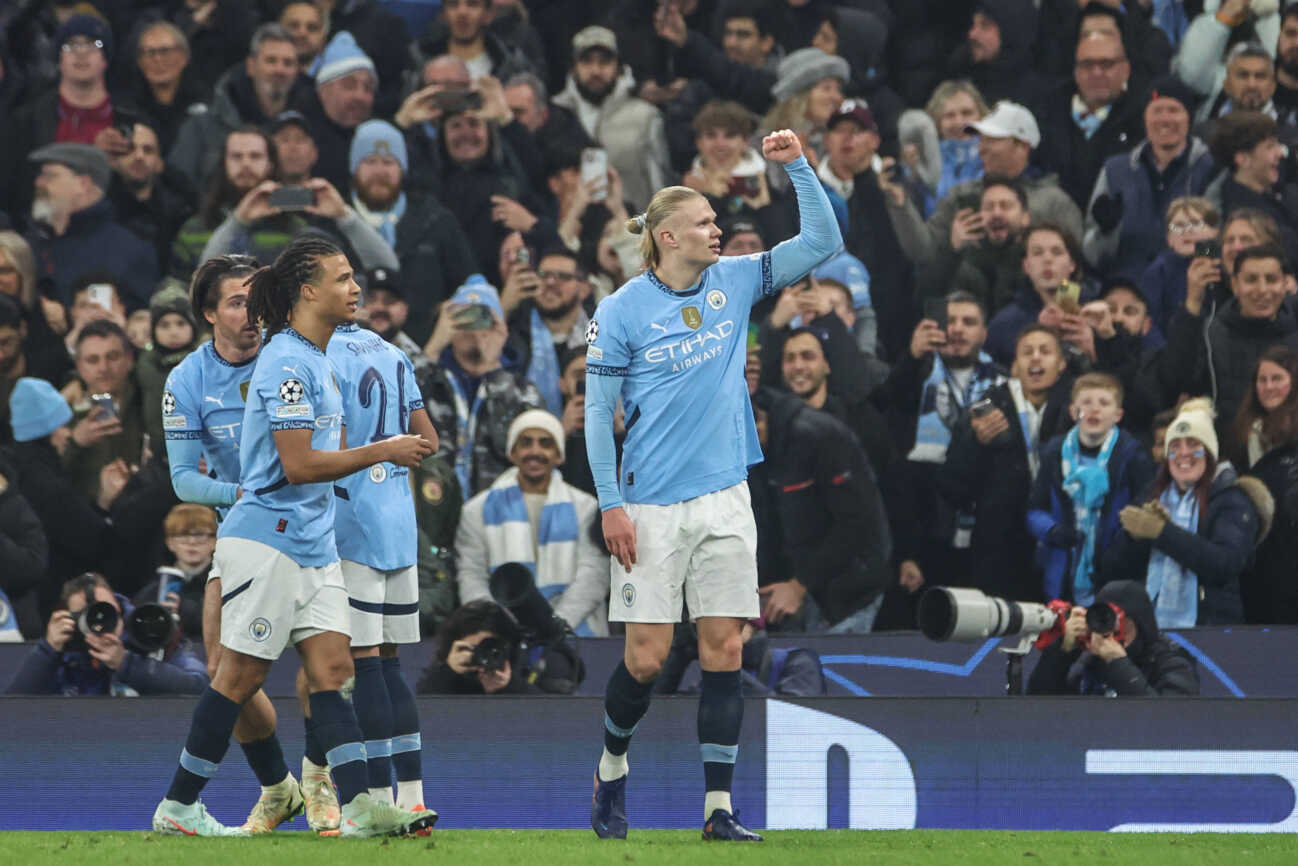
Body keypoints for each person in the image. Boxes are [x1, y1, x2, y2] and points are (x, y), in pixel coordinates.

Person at [584, 128, 840, 842]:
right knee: (645, 657)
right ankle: (610, 766)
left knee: (724, 648)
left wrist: (796, 167)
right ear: (667, 237)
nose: (716, 229)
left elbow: (821, 241)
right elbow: (599, 417)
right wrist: (611, 504)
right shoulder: (622, 310)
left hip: (727, 495)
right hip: (649, 504)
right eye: (703, 222)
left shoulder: (736, 280)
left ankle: (717, 810)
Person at [150, 237, 436, 837]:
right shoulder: (285, 363)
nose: (355, 289)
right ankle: (179, 805)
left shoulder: (315, 356)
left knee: (334, 672)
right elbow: (300, 465)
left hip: (314, 540)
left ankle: (357, 809)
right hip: (269, 537)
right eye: (343, 278)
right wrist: (383, 449)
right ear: (308, 291)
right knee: (237, 678)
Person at [160, 255, 326, 834]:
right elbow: (183, 479)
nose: (251, 313)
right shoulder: (186, 380)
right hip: (247, 534)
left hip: (314, 529)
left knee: (322, 664)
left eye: (256, 300)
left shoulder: (293, 355)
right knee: (224, 671)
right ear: (208, 313)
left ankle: (325, 784)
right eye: (236, 302)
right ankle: (279, 787)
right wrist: (245, 492)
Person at [327, 309, 440, 812]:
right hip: (398, 520)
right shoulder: (392, 351)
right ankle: (413, 798)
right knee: (392, 664)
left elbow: (328, 447)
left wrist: (370, 452)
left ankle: (377, 800)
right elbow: (429, 441)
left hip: (352, 520)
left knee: (366, 663)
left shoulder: (319, 356)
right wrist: (392, 450)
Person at [1100, 397, 1267, 628]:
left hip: (1213, 630)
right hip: (1151, 629)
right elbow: (1112, 568)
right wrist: (1135, 537)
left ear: (1210, 452)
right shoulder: (1152, 494)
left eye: (1194, 445)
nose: (1183, 453)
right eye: (1175, 446)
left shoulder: (1232, 498)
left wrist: (1163, 533)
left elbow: (1225, 565)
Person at [940, 324, 1074, 601]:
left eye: (1045, 351)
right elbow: (951, 487)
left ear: (1061, 364)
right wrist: (976, 443)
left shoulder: (1078, 408)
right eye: (1027, 352)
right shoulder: (984, 409)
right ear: (1014, 366)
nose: (1035, 358)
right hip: (1000, 551)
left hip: (1063, 541)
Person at [455, 408, 609, 637]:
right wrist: (501, 625)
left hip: (575, 633)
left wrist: (555, 626)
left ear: (559, 455)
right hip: (503, 635)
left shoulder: (586, 506)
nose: (535, 451)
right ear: (512, 452)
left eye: (545, 443)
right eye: (526, 443)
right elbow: (471, 577)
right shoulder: (476, 510)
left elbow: (594, 575)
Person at [751, 387, 892, 633]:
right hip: (807, 589)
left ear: (759, 422)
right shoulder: (757, 449)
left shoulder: (818, 436)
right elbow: (766, 525)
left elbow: (857, 522)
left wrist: (799, 585)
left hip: (851, 591)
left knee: (838, 671)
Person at [1027, 373, 1157, 605]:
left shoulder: (1133, 455)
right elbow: (1034, 510)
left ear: (1118, 415)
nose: (1094, 409)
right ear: (1072, 410)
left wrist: (1118, 550)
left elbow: (1142, 509)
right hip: (1061, 574)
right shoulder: (1054, 452)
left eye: (1104, 403)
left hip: (1114, 577)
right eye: (1086, 402)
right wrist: (1053, 531)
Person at [1083, 77, 1217, 281]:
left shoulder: (1209, 168)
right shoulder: (1115, 170)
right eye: (1157, 111)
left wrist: (1193, 250)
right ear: (1145, 118)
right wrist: (1108, 233)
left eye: (1173, 110)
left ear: (1189, 118)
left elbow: (1219, 245)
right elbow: (1090, 256)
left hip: (1186, 288)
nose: (1165, 119)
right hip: (1123, 291)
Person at [420, 275, 543, 497]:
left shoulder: (523, 391)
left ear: (500, 328)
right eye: (464, 317)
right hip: (432, 506)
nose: (474, 329)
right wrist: (433, 348)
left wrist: (493, 367)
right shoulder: (427, 379)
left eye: (483, 318)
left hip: (497, 510)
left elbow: (514, 446)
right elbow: (393, 413)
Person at [4, 572, 209, 696]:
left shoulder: (151, 636)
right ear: (71, 619)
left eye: (107, 612)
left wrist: (126, 663)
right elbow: (15, 708)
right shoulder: (64, 650)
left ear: (120, 610)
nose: (100, 623)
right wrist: (47, 651)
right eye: (88, 615)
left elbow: (200, 687)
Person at [168, 23, 308, 193]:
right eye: (271, 61)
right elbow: (177, 185)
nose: (280, 70)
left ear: (297, 71)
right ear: (251, 66)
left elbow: (311, 193)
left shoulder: (309, 123)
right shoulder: (204, 126)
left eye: (288, 63)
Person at [24, 142, 159, 311]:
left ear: (83, 184)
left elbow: (137, 321)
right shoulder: (29, 243)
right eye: (40, 176)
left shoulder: (130, 252)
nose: (38, 183)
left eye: (49, 176)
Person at [552, 26, 670, 212]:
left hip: (633, 231)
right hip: (568, 231)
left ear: (618, 67)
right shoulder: (555, 113)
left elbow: (661, 186)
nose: (596, 70)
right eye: (587, 61)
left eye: (605, 62)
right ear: (574, 67)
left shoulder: (645, 116)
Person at [1025, 579, 1200, 696]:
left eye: (1119, 622)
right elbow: (1038, 707)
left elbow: (1171, 723)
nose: (1110, 633)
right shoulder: (1089, 660)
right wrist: (1063, 651)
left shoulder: (1172, 663)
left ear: (1141, 625)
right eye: (1103, 621)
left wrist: (1118, 663)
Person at [1230, 347, 1298, 623]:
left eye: (1277, 379)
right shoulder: (1245, 431)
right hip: (1261, 554)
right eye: (1262, 379)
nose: (1268, 387)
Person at [133, 503, 218, 643]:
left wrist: (183, 609)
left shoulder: (225, 583)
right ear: (170, 543)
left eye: (200, 535)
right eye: (183, 534)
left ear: (214, 541)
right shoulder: (156, 588)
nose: (192, 542)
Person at [416, 599, 530, 694]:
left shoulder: (517, 684)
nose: (481, 657)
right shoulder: (440, 681)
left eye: (489, 649)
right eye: (472, 649)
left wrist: (508, 687)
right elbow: (422, 709)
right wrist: (448, 672)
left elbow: (543, 711)